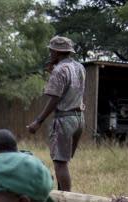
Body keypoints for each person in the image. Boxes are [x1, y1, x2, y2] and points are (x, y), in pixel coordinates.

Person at [26, 36, 85, 192]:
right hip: (79, 118)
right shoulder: (80, 67)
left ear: (57, 52)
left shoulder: (59, 70)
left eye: (51, 50)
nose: (49, 52)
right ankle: (62, 193)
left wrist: (38, 121)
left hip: (64, 119)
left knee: (60, 162)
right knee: (64, 160)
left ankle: (67, 201)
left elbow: (55, 98)